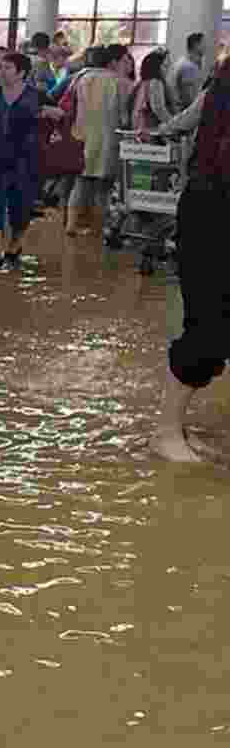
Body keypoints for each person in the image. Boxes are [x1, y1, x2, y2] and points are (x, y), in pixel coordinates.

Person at [149, 57, 230, 461]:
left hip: (208, 206)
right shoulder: (221, 85)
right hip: (213, 215)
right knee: (211, 330)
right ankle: (165, 431)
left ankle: (176, 426)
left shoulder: (216, 85)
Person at [0, 51, 60, 270]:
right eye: (0, 67)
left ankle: (14, 247)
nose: (1, 71)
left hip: (25, 160)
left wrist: (48, 113)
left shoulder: (36, 94)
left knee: (21, 208)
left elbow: (60, 114)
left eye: (7, 68)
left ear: (22, 72)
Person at [65, 43, 133, 236]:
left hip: (82, 136)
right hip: (109, 139)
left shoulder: (80, 78)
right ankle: (100, 226)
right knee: (104, 187)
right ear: (110, 61)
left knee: (81, 181)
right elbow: (124, 116)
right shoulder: (119, 82)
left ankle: (71, 224)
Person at [130, 49, 175, 132]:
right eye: (165, 66)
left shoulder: (142, 83)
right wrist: (175, 124)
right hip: (150, 131)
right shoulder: (155, 82)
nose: (168, 69)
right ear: (156, 66)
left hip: (140, 129)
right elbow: (159, 109)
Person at [169, 32, 206, 113]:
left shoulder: (183, 61)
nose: (206, 47)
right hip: (184, 112)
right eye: (203, 43)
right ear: (196, 45)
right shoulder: (189, 67)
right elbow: (189, 98)